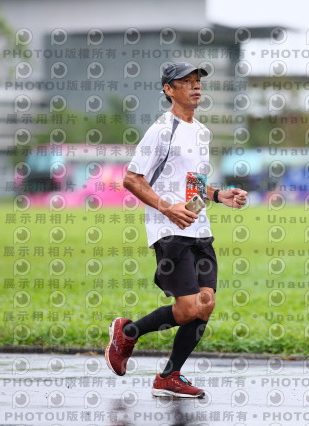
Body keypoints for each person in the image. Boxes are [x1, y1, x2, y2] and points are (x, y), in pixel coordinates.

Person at [105, 62, 247, 398]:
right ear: (168, 89)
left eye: (198, 81)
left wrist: (218, 196)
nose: (196, 86)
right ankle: (127, 333)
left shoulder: (201, 131)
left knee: (205, 304)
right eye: (186, 82)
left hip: (198, 227)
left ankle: (169, 377)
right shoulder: (161, 130)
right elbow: (132, 179)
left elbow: (193, 184)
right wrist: (167, 208)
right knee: (187, 309)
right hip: (168, 230)